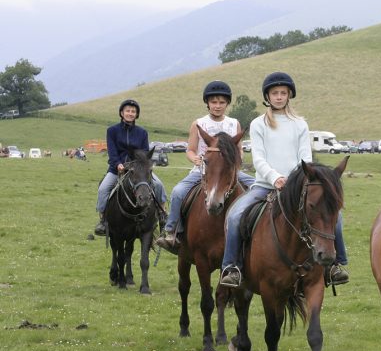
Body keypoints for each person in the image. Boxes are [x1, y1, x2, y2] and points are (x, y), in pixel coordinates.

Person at [218, 71, 349, 288]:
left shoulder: (300, 124)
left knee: (336, 217)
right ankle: (232, 267)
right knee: (235, 216)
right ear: (267, 97)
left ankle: (335, 265)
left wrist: (296, 181)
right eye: (274, 93)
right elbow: (258, 158)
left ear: (289, 96)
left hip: (297, 187)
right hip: (264, 185)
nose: (279, 97)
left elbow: (305, 158)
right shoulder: (258, 124)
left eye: (283, 93)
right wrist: (275, 177)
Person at [156, 80, 255, 254]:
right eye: (214, 102)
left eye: (222, 102)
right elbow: (190, 150)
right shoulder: (198, 124)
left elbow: (239, 150)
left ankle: (253, 231)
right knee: (178, 192)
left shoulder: (234, 124)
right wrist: (195, 159)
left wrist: (236, 162)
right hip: (203, 171)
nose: (218, 106)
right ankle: (172, 232)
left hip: (229, 172)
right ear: (207, 103)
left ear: (227, 104)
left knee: (256, 186)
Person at [94, 99, 167, 236]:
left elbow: (145, 153)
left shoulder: (142, 133)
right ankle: (103, 221)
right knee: (103, 189)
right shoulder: (112, 131)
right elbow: (112, 151)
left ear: (136, 114)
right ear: (122, 113)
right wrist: (118, 164)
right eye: (127, 110)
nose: (130, 113)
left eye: (133, 111)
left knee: (159, 185)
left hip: (138, 169)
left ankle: (163, 216)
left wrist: (144, 166)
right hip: (118, 169)